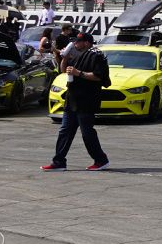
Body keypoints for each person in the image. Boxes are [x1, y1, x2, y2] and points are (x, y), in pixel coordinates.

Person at [42, 32, 111, 172]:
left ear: (86, 43)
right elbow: (63, 71)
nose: (74, 44)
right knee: (65, 131)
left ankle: (101, 160)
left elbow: (100, 77)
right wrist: (65, 58)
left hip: (86, 100)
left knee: (87, 133)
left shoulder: (96, 55)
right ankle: (59, 162)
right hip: (72, 99)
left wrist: (78, 73)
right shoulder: (77, 54)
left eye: (77, 42)